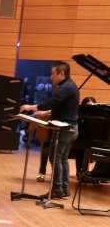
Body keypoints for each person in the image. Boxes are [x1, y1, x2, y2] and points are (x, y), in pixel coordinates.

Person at [20, 60, 80, 199]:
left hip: (64, 129)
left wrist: (30, 107)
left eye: (53, 73)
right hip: (71, 128)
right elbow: (62, 108)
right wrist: (45, 113)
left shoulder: (65, 88)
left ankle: (57, 189)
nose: (51, 76)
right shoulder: (70, 85)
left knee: (55, 158)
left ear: (62, 73)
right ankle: (64, 189)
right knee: (63, 158)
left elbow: (51, 103)